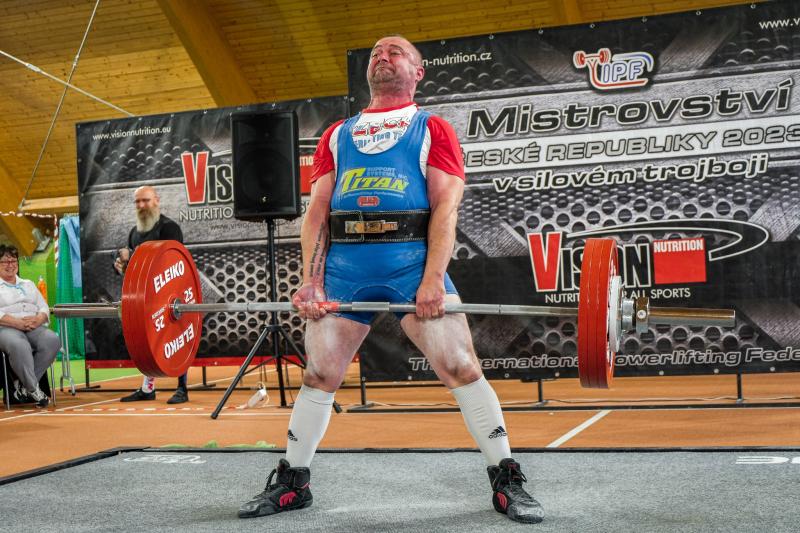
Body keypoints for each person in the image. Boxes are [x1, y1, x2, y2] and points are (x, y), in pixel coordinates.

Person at [238, 35, 544, 524]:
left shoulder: (432, 128)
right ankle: (293, 483)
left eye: (396, 51)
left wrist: (433, 279)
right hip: (345, 268)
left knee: (461, 366)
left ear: (418, 71)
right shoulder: (337, 134)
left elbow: (445, 208)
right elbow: (317, 212)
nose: (383, 56)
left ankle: (506, 479)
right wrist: (312, 281)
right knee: (319, 375)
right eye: (376, 53)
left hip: (410, 263)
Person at [114, 185, 189, 404]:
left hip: (172, 293)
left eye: (145, 200)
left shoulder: (169, 228)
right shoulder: (134, 232)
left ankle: (182, 389)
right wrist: (121, 265)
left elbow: (173, 261)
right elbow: (134, 269)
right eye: (137, 202)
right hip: (147, 297)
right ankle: (148, 389)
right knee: (149, 341)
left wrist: (134, 258)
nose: (141, 205)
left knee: (178, 338)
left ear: (156, 200)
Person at [0, 245, 60, 408]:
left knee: (52, 340)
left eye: (13, 261)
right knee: (20, 345)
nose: (10, 265)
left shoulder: (28, 284)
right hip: (6, 328)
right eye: (5, 261)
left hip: (32, 326)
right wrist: (17, 323)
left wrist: (39, 319)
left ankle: (23, 385)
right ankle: (33, 389)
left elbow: (43, 306)